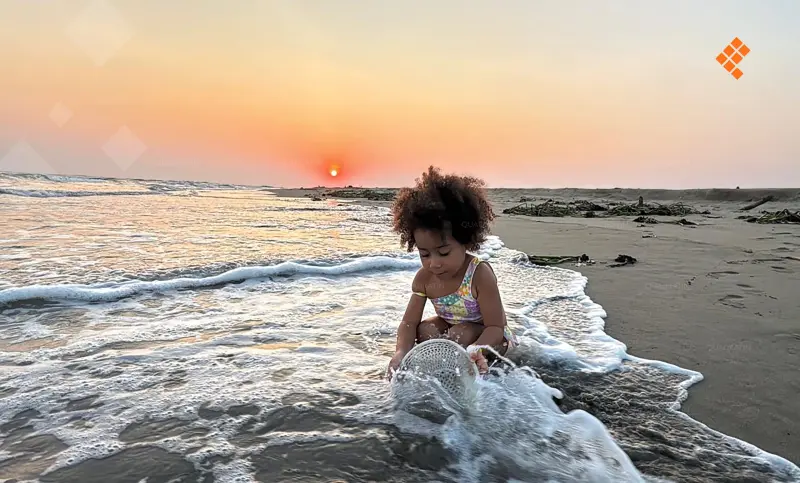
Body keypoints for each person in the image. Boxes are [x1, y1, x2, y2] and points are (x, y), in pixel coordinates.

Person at [386, 166, 518, 379]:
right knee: (424, 331)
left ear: (466, 241)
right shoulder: (424, 279)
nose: (434, 264)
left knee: (459, 334)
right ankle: (445, 369)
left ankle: (468, 361)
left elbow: (496, 326)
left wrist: (477, 349)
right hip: (452, 328)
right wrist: (400, 352)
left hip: (491, 337)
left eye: (444, 253)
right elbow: (408, 323)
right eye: (425, 254)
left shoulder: (479, 274)